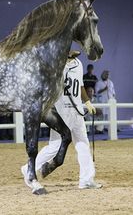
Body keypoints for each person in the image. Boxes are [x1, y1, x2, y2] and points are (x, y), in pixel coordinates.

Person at [21, 50, 102, 190]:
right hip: (61, 111)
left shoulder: (78, 64)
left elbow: (80, 85)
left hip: (77, 111)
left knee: (83, 143)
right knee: (55, 145)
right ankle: (28, 168)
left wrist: (87, 102)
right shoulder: (56, 65)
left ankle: (86, 179)